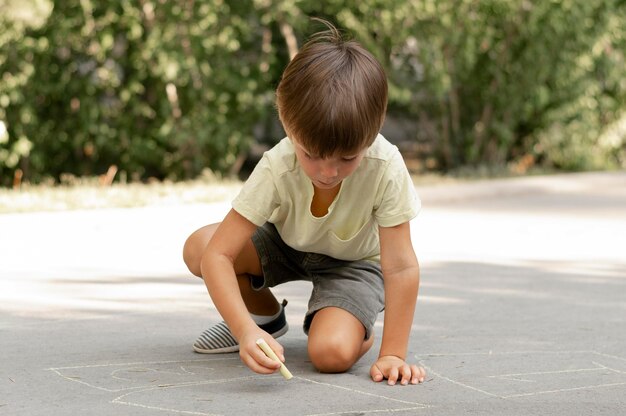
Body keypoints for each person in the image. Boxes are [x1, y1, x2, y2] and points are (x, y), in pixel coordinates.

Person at [183, 21, 426, 386]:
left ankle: (356, 327)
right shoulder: (278, 165)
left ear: (373, 133)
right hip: (286, 244)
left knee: (330, 355)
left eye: (347, 158)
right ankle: (264, 318)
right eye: (311, 155)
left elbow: (401, 268)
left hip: (354, 263)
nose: (328, 172)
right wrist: (245, 330)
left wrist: (393, 353)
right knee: (199, 247)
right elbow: (218, 255)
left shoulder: (385, 166)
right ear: (287, 124)